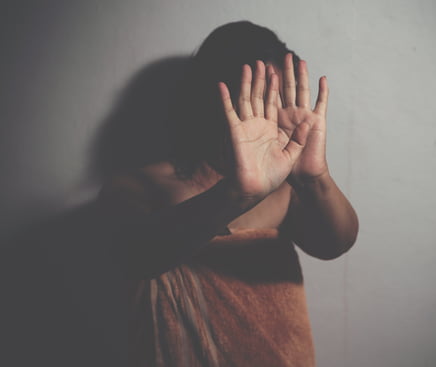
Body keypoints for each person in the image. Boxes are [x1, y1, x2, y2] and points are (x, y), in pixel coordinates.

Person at [97, 21, 358, 367]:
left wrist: (315, 177)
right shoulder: (137, 187)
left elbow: (335, 244)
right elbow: (134, 256)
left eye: (280, 100)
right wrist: (236, 194)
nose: (273, 117)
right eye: (257, 96)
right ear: (209, 100)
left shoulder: (285, 192)